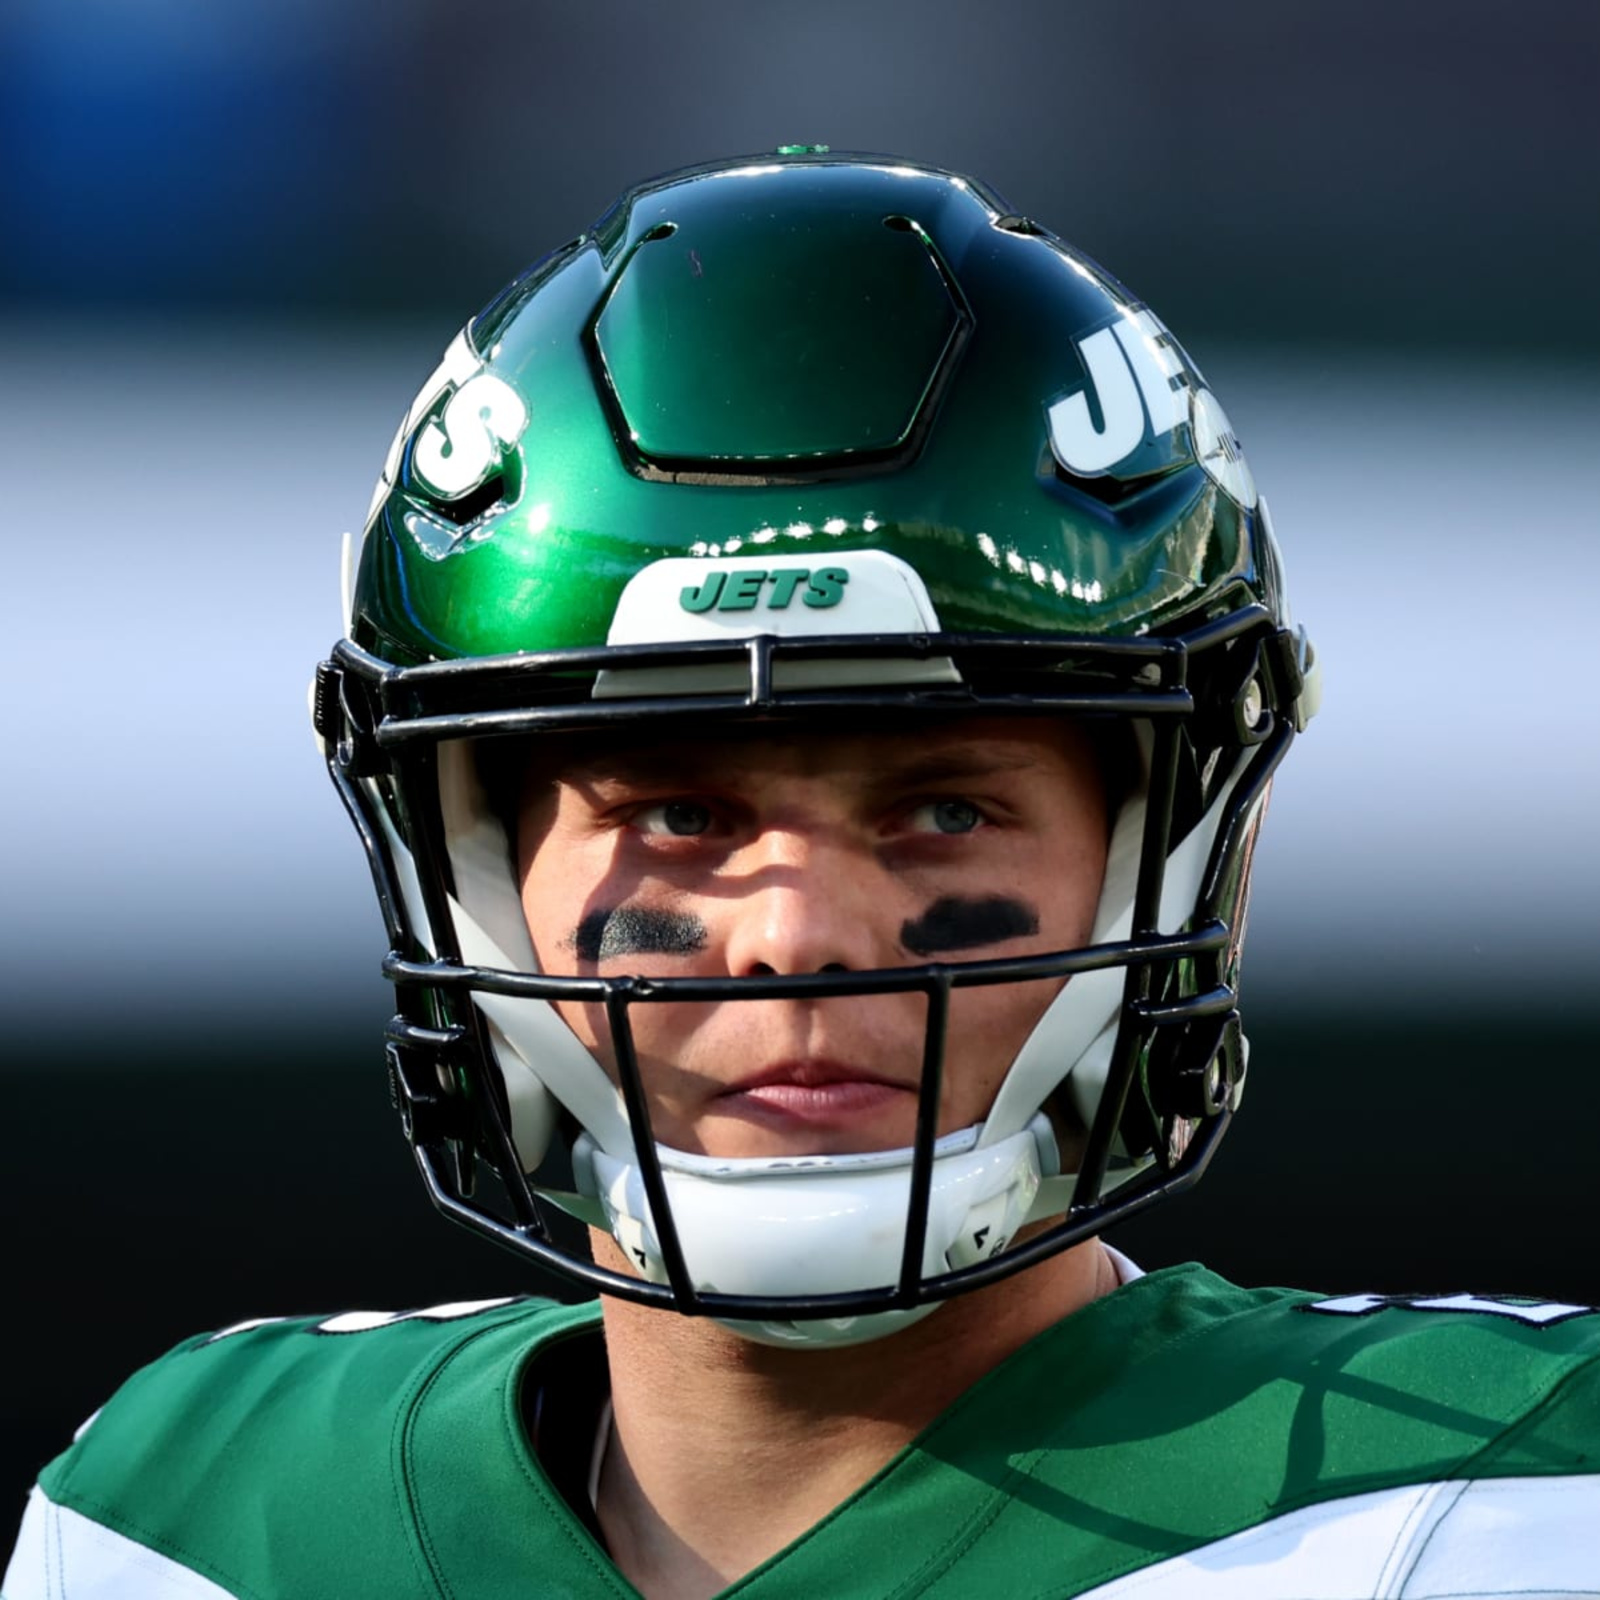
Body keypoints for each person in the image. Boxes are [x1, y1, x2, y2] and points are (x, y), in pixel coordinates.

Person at [7, 149, 1596, 1600]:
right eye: (681, 815)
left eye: (946, 812)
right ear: (468, 861)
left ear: (1175, 855)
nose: (799, 938)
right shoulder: (182, 1518)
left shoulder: (1512, 1496)